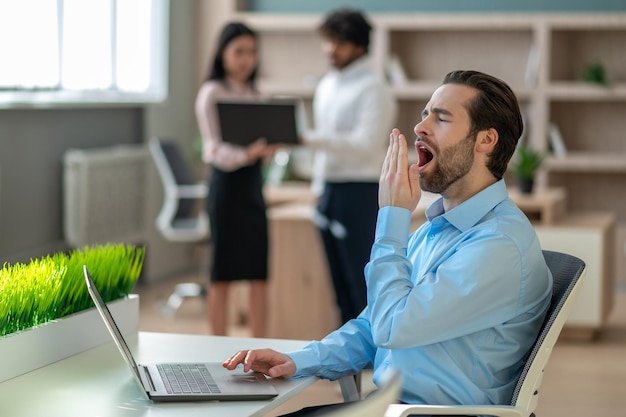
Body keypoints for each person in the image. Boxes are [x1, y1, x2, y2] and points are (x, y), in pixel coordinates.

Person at [223, 70, 553, 411]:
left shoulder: (499, 246)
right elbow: (373, 323)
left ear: (486, 140)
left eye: (441, 118)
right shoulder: (436, 230)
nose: (420, 127)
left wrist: (392, 216)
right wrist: (299, 361)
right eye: (425, 114)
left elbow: (392, 327)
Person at [300, 8, 397, 324]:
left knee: (360, 280)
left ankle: (371, 357)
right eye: (329, 41)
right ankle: (348, 356)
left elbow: (366, 145)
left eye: (339, 42)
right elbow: (325, 150)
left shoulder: (374, 88)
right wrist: (318, 186)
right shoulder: (326, 85)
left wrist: (312, 138)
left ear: (359, 45)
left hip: (359, 190)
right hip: (329, 190)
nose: (331, 49)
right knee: (338, 285)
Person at [195, 22, 280, 338]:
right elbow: (214, 148)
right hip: (227, 188)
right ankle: (218, 347)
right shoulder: (212, 92)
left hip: (252, 188)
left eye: (252, 52)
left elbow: (258, 147)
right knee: (223, 273)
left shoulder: (257, 94)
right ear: (222, 53)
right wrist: (247, 154)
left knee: (259, 271)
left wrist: (267, 150)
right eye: (239, 52)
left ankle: (259, 347)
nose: (247, 59)